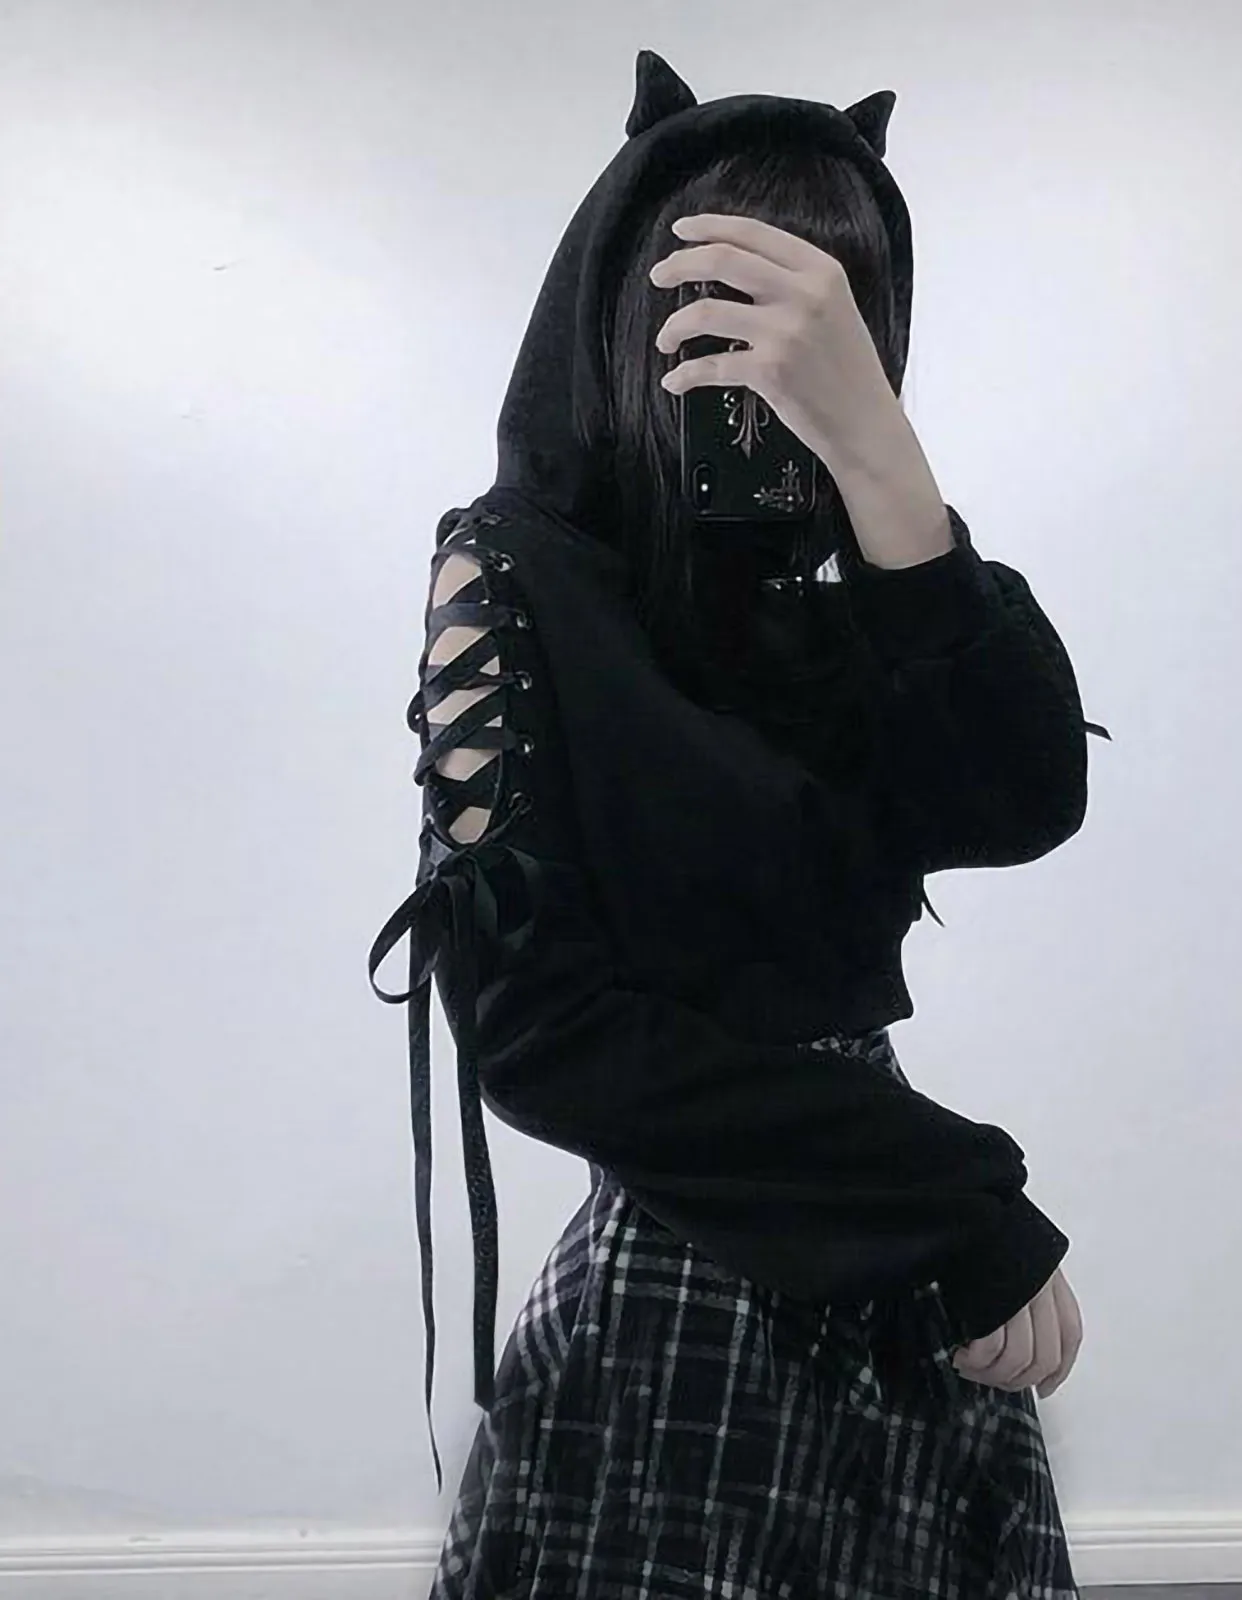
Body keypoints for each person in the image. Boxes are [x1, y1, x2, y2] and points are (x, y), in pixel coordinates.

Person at [367, 47, 1109, 1600]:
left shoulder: (877, 579)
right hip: (702, 1251)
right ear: (635, 302)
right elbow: (543, 1029)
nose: (770, 361)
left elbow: (1023, 800)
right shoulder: (518, 570)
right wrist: (951, 1199)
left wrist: (883, 465)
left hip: (894, 1247)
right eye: (727, 307)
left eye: (831, 325)